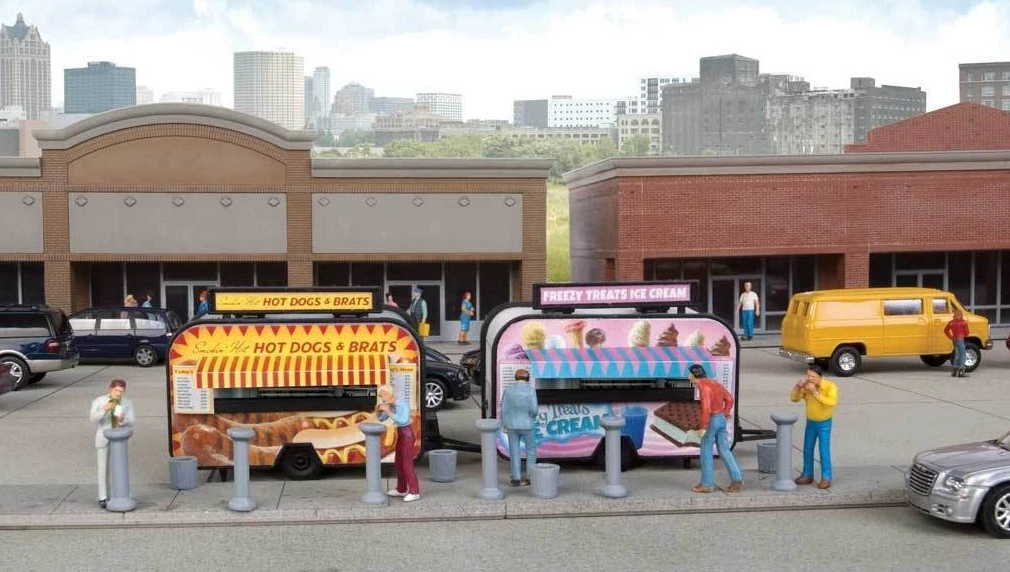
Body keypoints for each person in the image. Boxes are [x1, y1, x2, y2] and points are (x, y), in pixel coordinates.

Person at [688, 364, 744, 493]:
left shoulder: (703, 386)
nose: (688, 377)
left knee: (706, 450)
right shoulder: (715, 383)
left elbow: (706, 408)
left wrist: (703, 426)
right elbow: (730, 399)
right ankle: (737, 478)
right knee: (724, 450)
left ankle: (707, 483)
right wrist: (725, 413)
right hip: (721, 419)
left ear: (695, 375)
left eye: (690, 374)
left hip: (711, 420)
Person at [791, 364, 838, 489]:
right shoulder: (807, 386)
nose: (809, 378)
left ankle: (826, 477)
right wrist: (797, 387)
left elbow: (831, 402)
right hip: (810, 423)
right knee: (807, 449)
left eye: (812, 376)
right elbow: (794, 399)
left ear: (819, 377)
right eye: (808, 375)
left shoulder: (830, 386)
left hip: (824, 424)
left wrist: (815, 393)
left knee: (824, 451)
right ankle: (807, 474)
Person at [89, 379, 135, 509]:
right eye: (116, 390)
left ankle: (122, 493)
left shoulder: (126, 403)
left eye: (121, 391)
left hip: (119, 438)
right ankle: (103, 496)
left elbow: (131, 420)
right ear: (110, 389)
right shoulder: (99, 401)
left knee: (121, 466)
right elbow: (93, 418)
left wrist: (123, 419)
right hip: (103, 436)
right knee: (103, 468)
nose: (118, 393)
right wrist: (104, 409)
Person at [375, 385, 420, 502]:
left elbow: (403, 420)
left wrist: (388, 411)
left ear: (390, 394)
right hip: (401, 434)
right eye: (381, 396)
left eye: (383, 395)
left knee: (407, 464)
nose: (382, 398)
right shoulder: (390, 405)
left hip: (407, 434)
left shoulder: (402, 404)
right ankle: (401, 489)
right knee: (399, 463)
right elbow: (382, 419)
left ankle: (414, 491)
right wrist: (378, 411)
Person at [501, 368, 538, 486]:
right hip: (527, 424)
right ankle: (530, 477)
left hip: (512, 424)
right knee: (530, 451)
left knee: (514, 451)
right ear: (527, 379)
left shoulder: (508, 391)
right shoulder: (531, 391)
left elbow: (504, 410)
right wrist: (531, 416)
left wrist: (504, 424)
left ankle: (516, 478)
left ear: (515, 378)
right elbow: (534, 410)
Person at [944, 309, 970, 378]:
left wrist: (950, 336)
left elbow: (945, 330)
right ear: (961, 315)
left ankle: (954, 371)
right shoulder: (963, 322)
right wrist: (963, 335)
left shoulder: (951, 323)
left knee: (957, 354)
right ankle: (961, 370)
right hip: (960, 339)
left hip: (954, 339)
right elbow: (967, 332)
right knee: (962, 354)